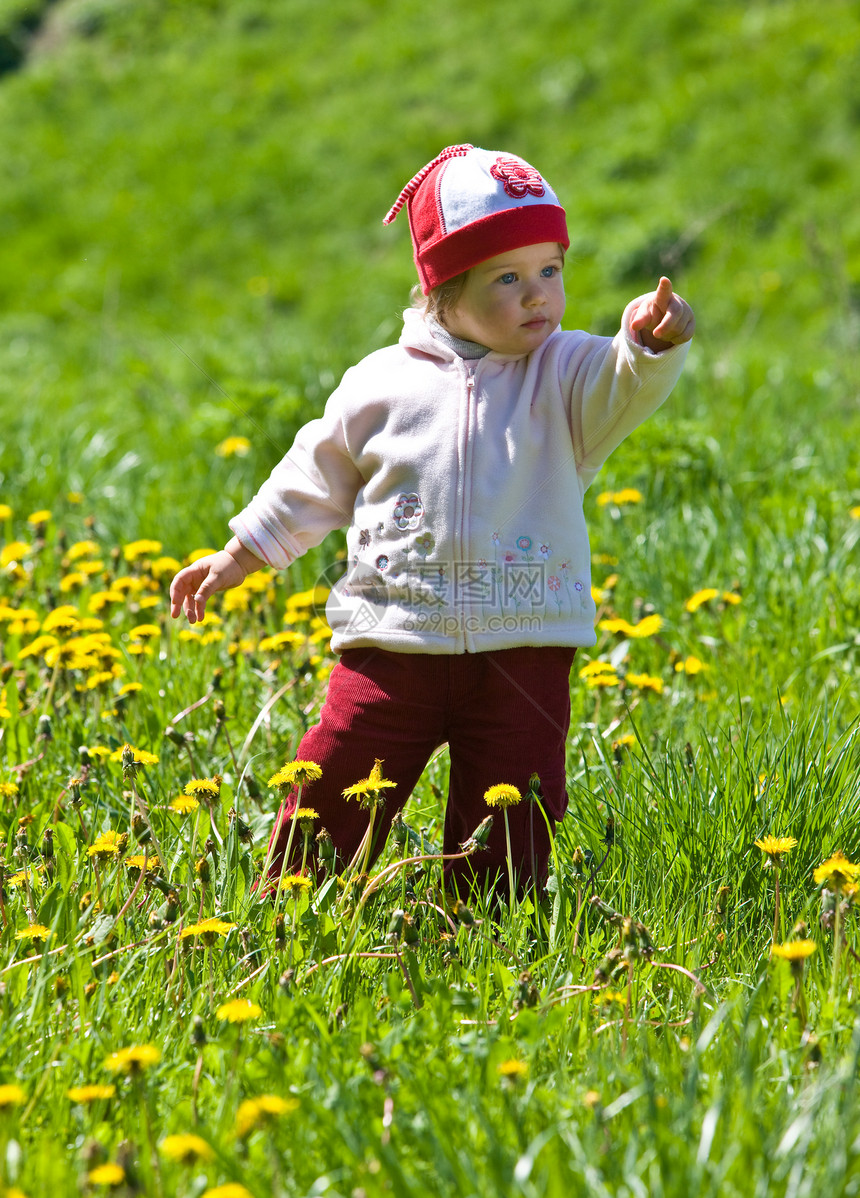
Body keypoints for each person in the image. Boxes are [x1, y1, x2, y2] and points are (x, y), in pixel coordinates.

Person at [170, 143, 695, 895]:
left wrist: (649, 342)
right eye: (507, 278)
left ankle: (486, 931)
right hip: (392, 643)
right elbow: (313, 476)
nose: (538, 296)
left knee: (514, 803)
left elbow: (624, 382)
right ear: (441, 289)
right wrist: (240, 555)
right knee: (336, 775)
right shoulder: (380, 384)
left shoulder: (566, 376)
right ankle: (292, 906)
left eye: (551, 269)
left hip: (525, 647)